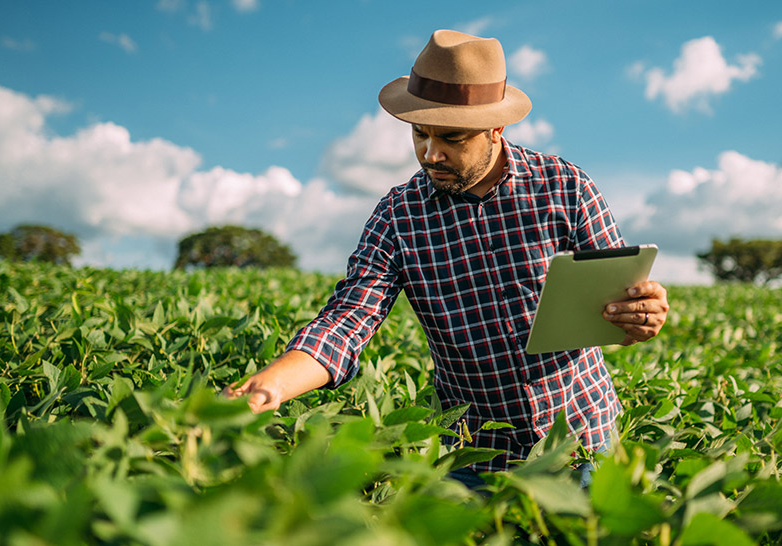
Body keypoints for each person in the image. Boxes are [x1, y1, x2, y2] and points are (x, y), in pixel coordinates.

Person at [224, 29, 669, 481]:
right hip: (473, 454)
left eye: (452, 138)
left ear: (496, 128)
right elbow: (347, 319)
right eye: (420, 134)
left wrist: (639, 318)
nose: (430, 154)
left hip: (577, 440)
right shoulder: (399, 216)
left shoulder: (566, 187)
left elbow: (621, 306)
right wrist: (272, 385)